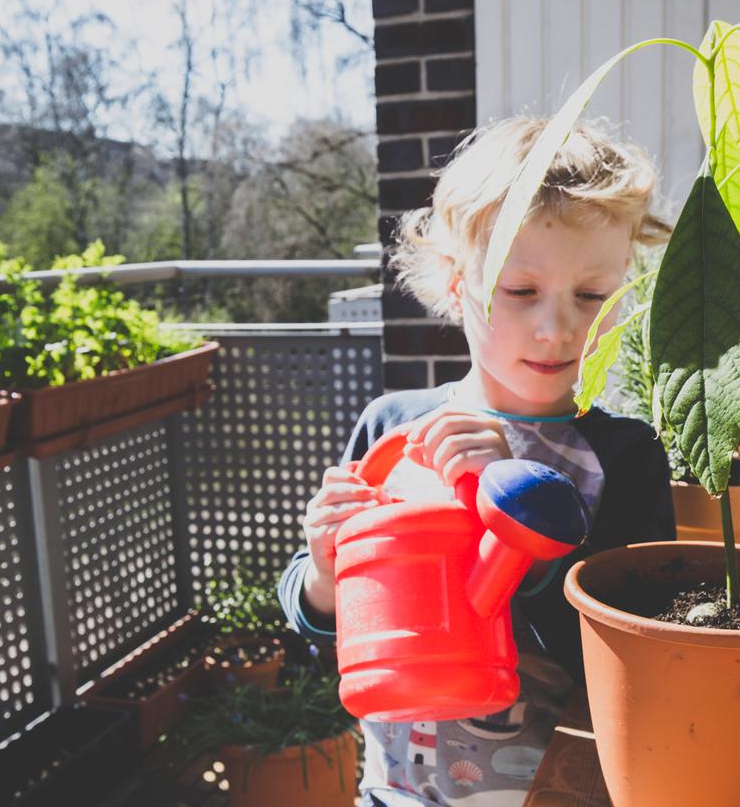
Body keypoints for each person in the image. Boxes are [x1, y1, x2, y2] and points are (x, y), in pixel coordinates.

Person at [277, 116, 677, 806]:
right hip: (392, 791)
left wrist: (526, 516)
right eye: (521, 292)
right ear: (458, 287)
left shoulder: (626, 456)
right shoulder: (392, 429)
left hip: (559, 792)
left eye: (592, 295)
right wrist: (322, 572)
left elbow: (634, 660)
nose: (559, 328)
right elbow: (324, 629)